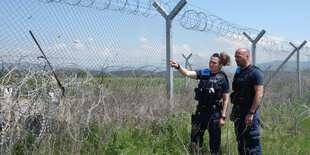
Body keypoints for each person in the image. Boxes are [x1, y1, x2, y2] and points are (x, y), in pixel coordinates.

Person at [170, 53, 231, 154]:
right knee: (195, 140)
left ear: (220, 65)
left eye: (214, 63)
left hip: (214, 114)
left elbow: (226, 99)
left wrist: (223, 117)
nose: (211, 64)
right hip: (200, 113)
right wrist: (178, 67)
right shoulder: (204, 73)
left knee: (215, 143)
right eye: (210, 62)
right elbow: (188, 73)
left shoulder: (222, 79)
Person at [229, 48, 264, 155]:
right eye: (235, 56)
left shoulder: (255, 72)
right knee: (241, 141)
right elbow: (237, 93)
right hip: (239, 112)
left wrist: (251, 113)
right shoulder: (238, 72)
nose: (235, 59)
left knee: (252, 143)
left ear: (247, 57)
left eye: (238, 56)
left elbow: (259, 93)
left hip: (249, 112)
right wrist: (234, 111)